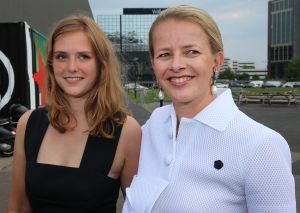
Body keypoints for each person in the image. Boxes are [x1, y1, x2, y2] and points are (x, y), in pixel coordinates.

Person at [122, 5, 296, 213]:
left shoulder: (261, 146)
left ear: (217, 61)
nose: (176, 65)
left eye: (191, 52)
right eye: (164, 54)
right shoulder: (152, 127)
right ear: (153, 64)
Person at [7, 15, 141, 212]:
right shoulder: (29, 123)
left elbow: (138, 207)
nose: (71, 67)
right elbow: (18, 206)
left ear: (100, 64)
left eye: (84, 56)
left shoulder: (127, 131)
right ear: (51, 63)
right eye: (62, 56)